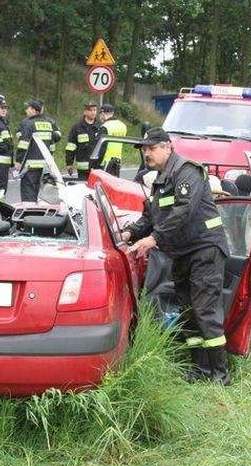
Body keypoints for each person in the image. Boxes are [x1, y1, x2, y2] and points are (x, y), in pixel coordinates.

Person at [120, 128, 232, 385]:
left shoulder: (187, 172)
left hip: (205, 250)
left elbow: (183, 212)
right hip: (181, 253)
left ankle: (220, 374)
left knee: (205, 311)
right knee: (188, 311)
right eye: (143, 149)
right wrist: (130, 233)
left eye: (151, 148)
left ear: (167, 147)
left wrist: (154, 239)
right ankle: (200, 369)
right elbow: (151, 217)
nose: (146, 153)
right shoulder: (159, 180)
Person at [16, 100, 61, 202]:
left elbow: (23, 144)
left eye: (28, 108)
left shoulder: (28, 123)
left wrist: (18, 161)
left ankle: (29, 213)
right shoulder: (49, 123)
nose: (26, 110)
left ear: (33, 110)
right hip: (45, 164)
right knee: (38, 191)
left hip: (31, 164)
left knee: (28, 191)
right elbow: (53, 140)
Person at [65, 101, 99, 181]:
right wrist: (69, 163)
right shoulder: (77, 128)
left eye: (94, 110)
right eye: (90, 110)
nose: (93, 112)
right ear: (85, 112)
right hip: (82, 169)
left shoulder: (100, 127)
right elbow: (71, 147)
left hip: (97, 168)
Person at [98, 103, 127, 176]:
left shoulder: (105, 127)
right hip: (117, 162)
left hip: (104, 163)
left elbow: (101, 147)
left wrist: (95, 164)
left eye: (100, 114)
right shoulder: (123, 126)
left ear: (103, 114)